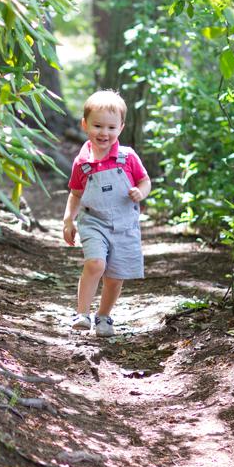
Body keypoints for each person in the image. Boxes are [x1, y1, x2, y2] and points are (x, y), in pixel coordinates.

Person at [63, 89, 152, 338]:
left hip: (124, 224)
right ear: (85, 124)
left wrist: (141, 192)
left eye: (111, 128)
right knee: (95, 264)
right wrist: (68, 219)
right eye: (98, 126)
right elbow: (76, 193)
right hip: (93, 221)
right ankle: (82, 313)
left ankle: (104, 316)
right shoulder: (82, 163)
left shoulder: (128, 158)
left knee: (115, 276)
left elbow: (146, 181)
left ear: (121, 128)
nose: (104, 133)